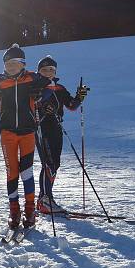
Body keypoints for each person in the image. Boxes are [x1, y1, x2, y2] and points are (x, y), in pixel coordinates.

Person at [0, 44, 51, 230]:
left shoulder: (32, 78)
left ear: (22, 63)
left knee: (26, 172)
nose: (11, 66)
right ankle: (14, 211)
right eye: (8, 63)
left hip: (28, 132)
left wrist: (40, 95)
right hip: (7, 133)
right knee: (11, 172)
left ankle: (29, 211)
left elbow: (49, 86)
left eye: (15, 63)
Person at [34, 55, 89, 214]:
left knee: (54, 163)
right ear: (39, 72)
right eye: (44, 70)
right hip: (41, 128)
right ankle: (45, 200)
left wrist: (80, 96)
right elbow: (32, 106)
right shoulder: (36, 88)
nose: (48, 72)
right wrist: (42, 108)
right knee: (49, 163)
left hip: (56, 128)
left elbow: (71, 106)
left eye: (51, 69)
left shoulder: (60, 89)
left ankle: (44, 198)